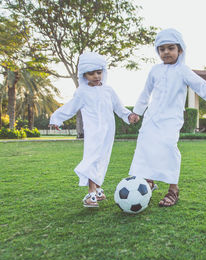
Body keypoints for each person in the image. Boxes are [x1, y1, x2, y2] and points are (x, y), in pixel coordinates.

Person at [129, 28, 206, 207]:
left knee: (168, 148)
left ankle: (173, 189)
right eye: (161, 49)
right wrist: (137, 112)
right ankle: (148, 181)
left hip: (171, 119)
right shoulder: (154, 70)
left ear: (180, 50)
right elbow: (145, 92)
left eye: (170, 48)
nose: (166, 52)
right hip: (151, 118)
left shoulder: (183, 71)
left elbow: (201, 86)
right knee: (145, 147)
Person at [49, 52, 139, 208]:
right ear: (84, 74)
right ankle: (91, 195)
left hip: (108, 131)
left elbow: (119, 107)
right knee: (92, 159)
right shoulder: (82, 92)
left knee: (102, 159)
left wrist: (129, 116)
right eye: (91, 73)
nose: (96, 76)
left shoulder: (109, 90)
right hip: (93, 131)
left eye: (99, 72)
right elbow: (70, 107)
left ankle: (97, 190)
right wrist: (56, 118)